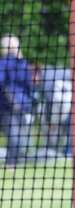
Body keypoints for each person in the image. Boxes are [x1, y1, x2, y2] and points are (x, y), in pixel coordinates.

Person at [0, 34, 34, 167]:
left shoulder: (23, 63)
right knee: (14, 136)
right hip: (8, 107)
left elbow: (28, 85)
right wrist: (12, 101)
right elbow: (2, 85)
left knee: (21, 137)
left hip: (23, 105)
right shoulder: (4, 63)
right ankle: (11, 163)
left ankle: (18, 161)